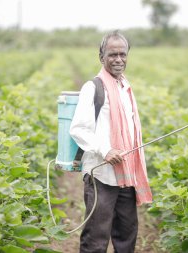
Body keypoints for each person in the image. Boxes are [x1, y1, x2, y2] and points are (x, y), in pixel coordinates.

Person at [69, 30, 152, 253]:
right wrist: (105, 150)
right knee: (96, 237)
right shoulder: (93, 87)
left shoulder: (125, 87)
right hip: (101, 173)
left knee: (126, 236)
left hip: (126, 175)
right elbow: (78, 129)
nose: (118, 59)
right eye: (112, 54)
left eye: (122, 54)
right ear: (101, 56)